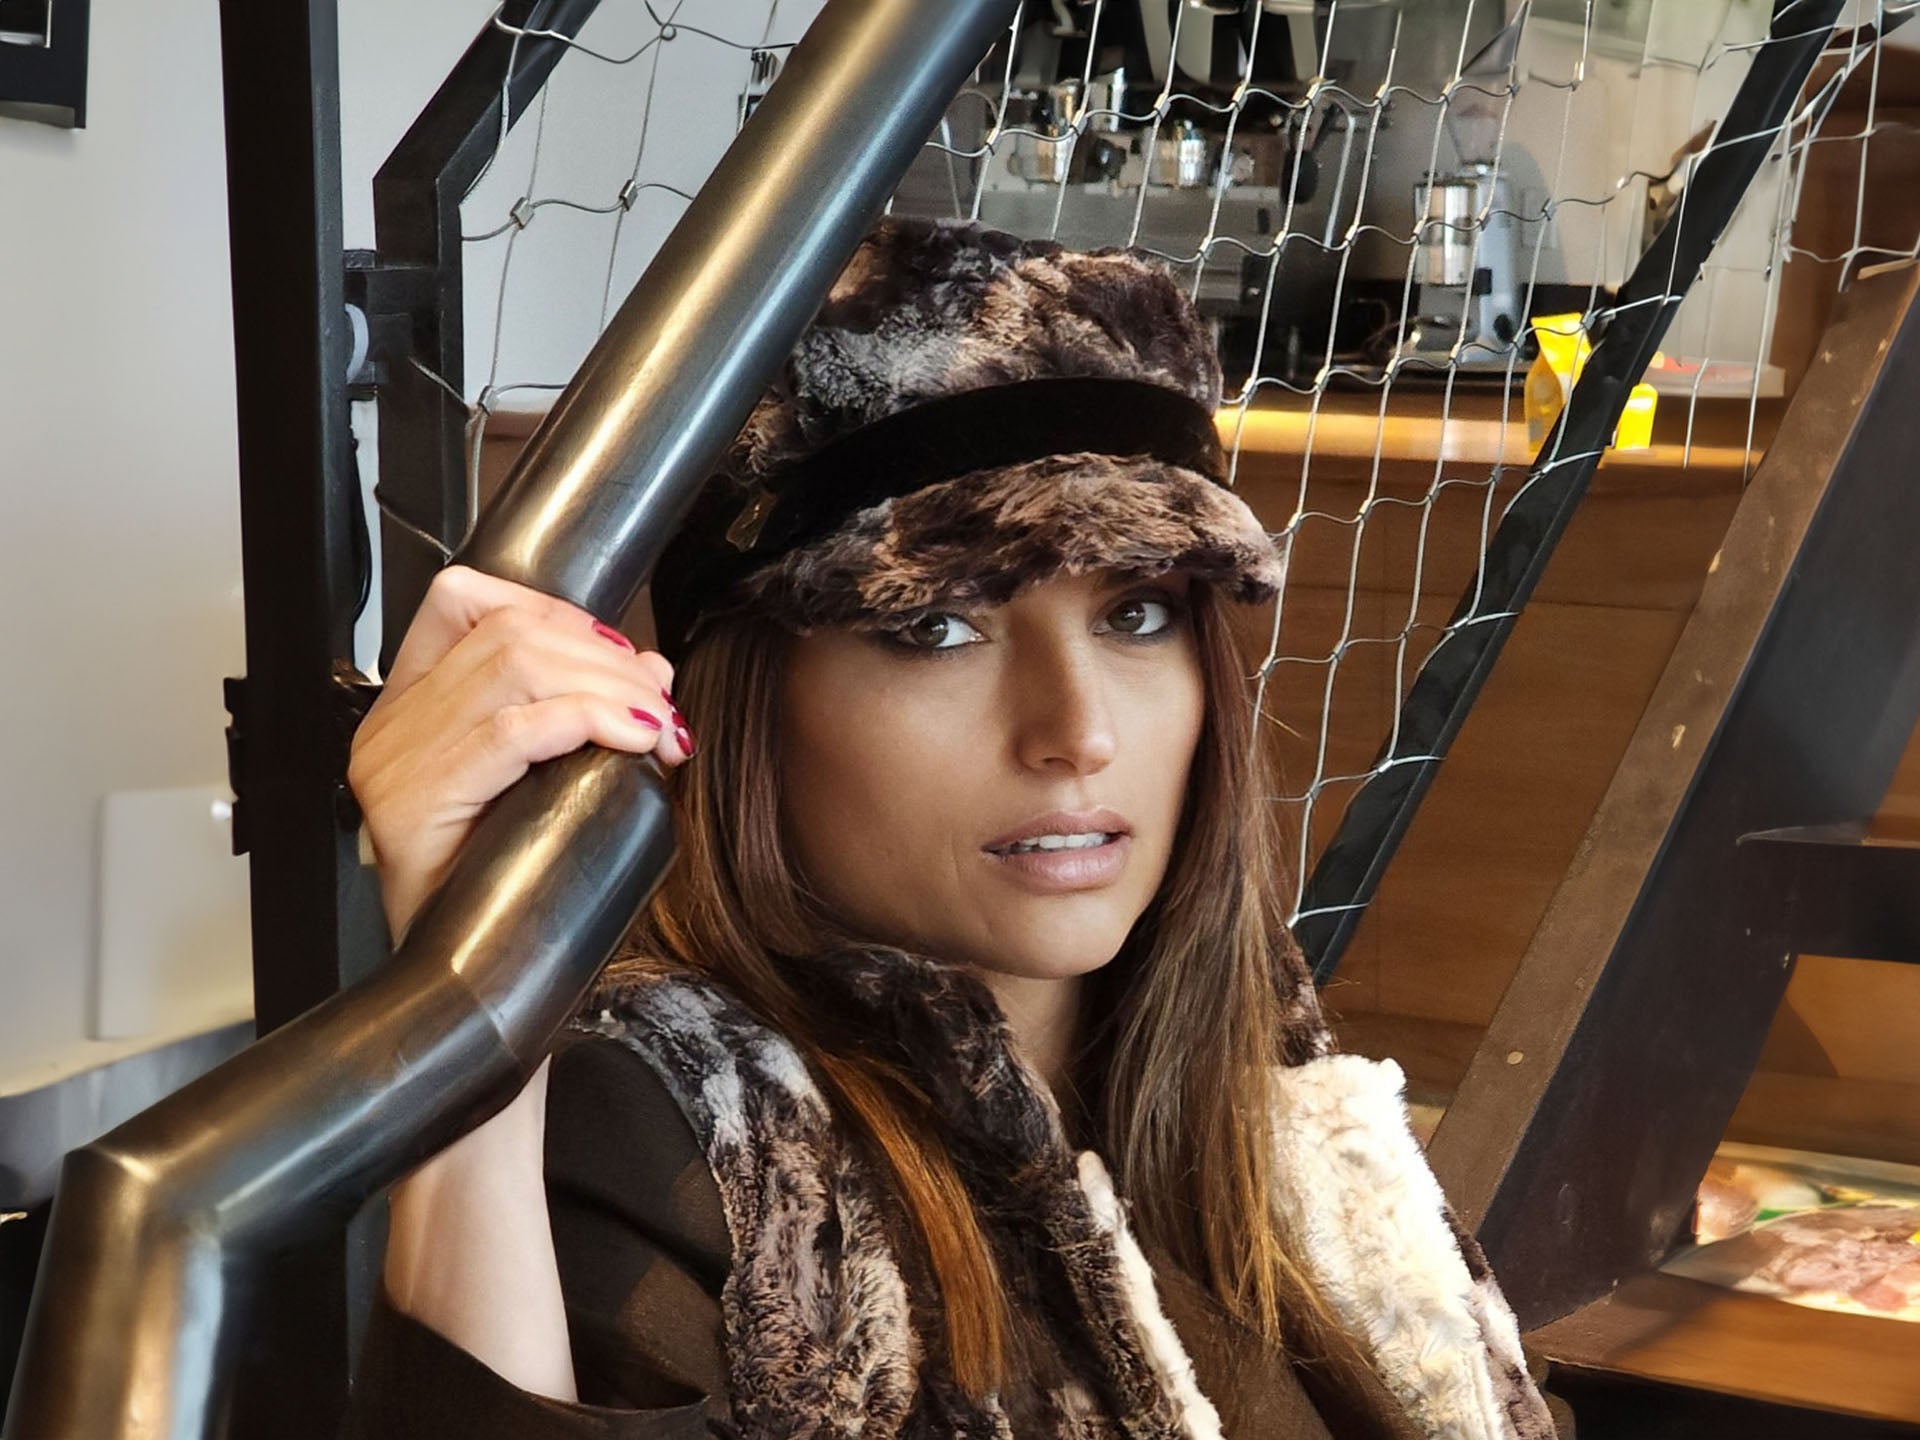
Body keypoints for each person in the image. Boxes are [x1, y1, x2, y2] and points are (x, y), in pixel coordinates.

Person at [340, 218, 1561, 1440]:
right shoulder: (677, 1139)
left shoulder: (1281, 1108)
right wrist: (469, 1014)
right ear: (743, 699)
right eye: (938, 628)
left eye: (1136, 614)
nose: (1075, 732)